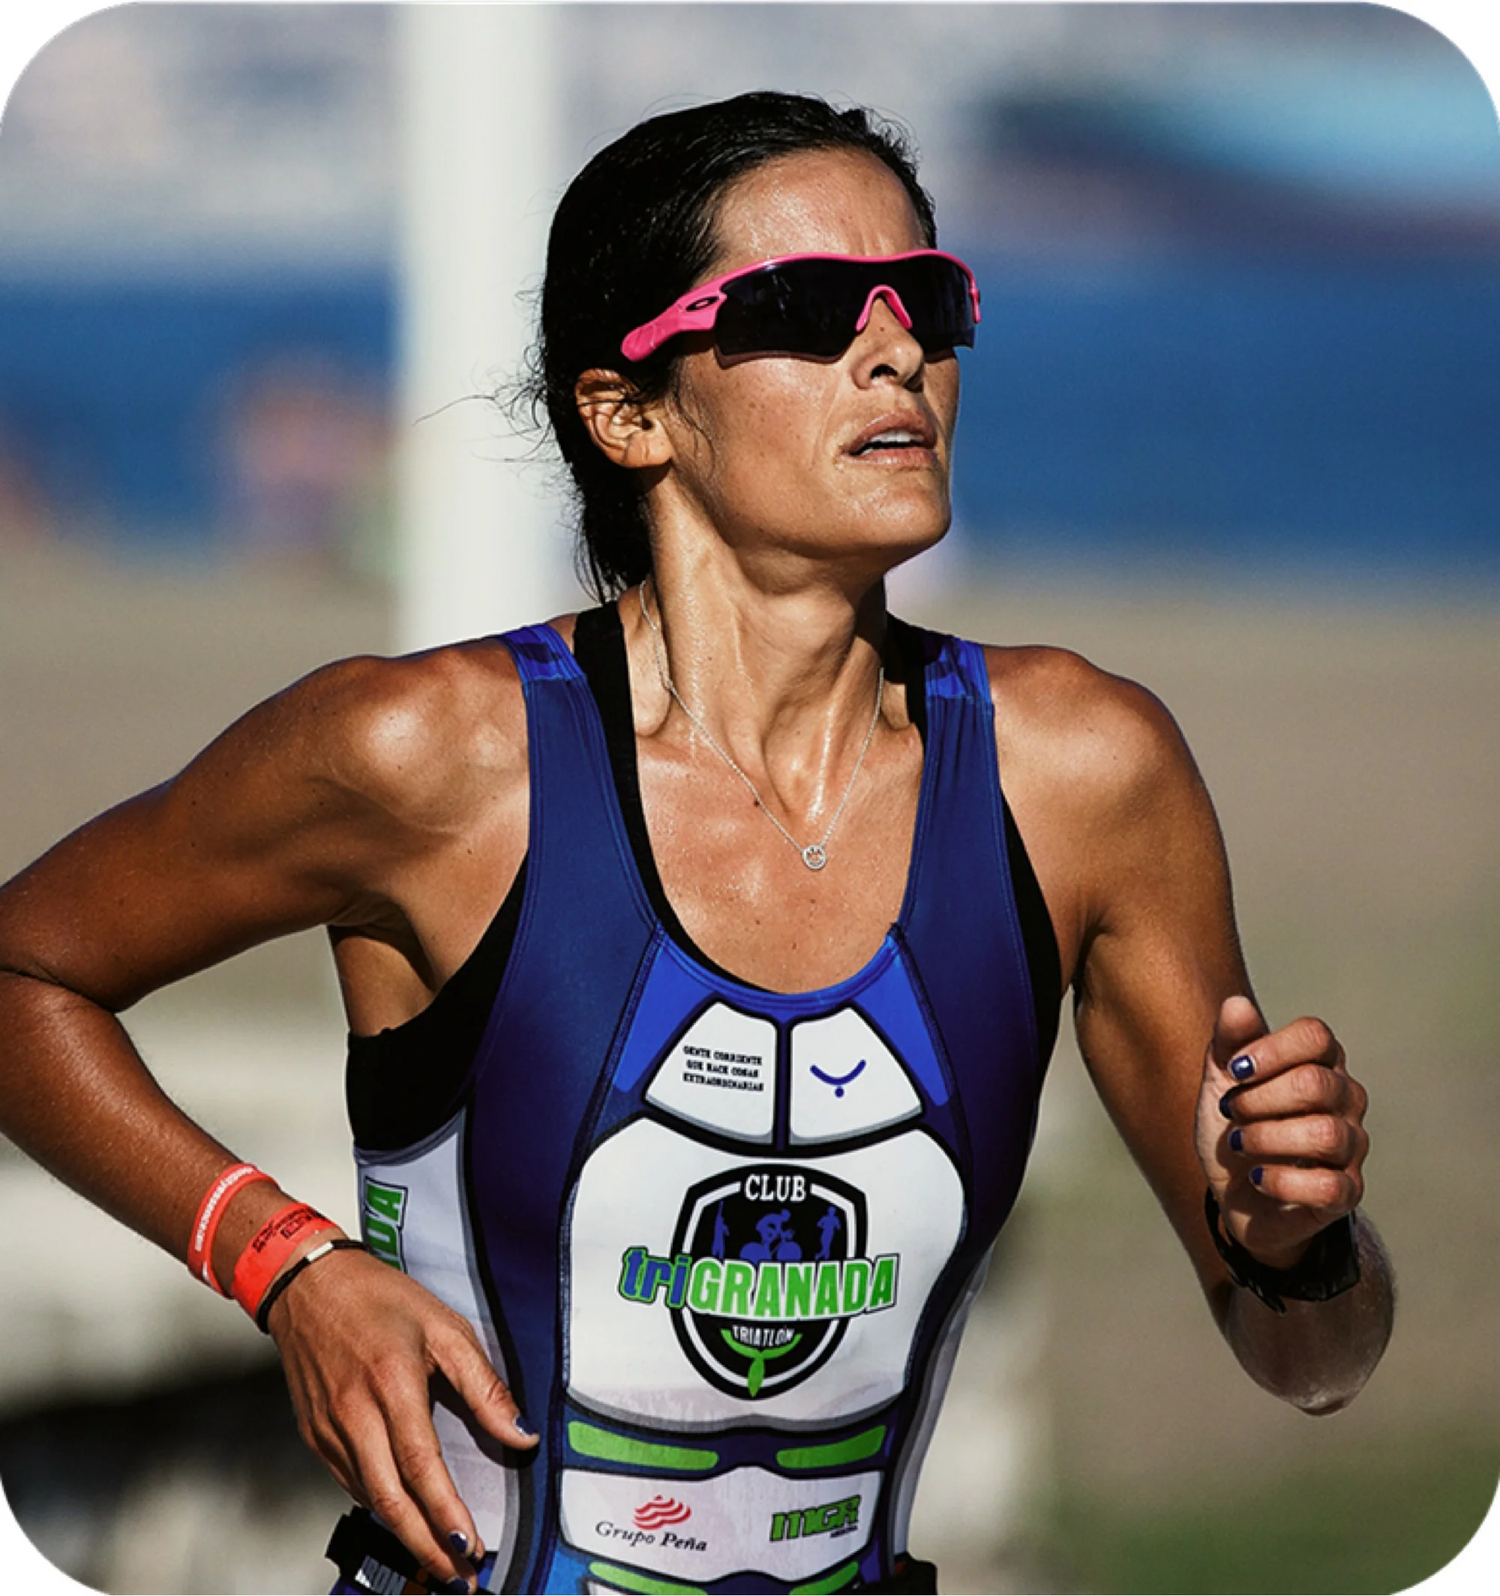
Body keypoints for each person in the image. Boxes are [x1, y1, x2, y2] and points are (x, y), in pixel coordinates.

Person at [0, 92, 1393, 1596]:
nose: (896, 352)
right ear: (631, 412)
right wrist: (282, 1264)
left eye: (926, 300)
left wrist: (1298, 1244)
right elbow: (25, 974)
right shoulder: (431, 759)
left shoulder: (1081, 775)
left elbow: (1316, 1362)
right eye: (806, 308)